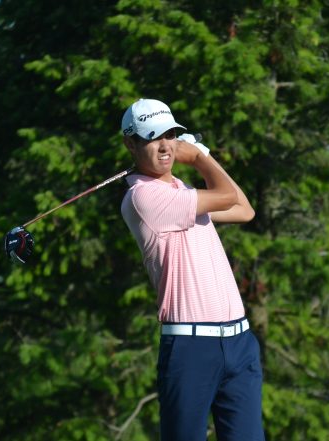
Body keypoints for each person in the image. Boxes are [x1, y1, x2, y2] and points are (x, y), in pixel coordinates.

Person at [120, 98, 264, 441]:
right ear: (131, 144)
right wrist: (199, 157)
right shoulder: (143, 198)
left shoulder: (182, 192)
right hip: (191, 346)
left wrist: (203, 157)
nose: (165, 146)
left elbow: (244, 209)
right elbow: (226, 195)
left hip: (239, 341)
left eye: (170, 135)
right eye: (153, 137)